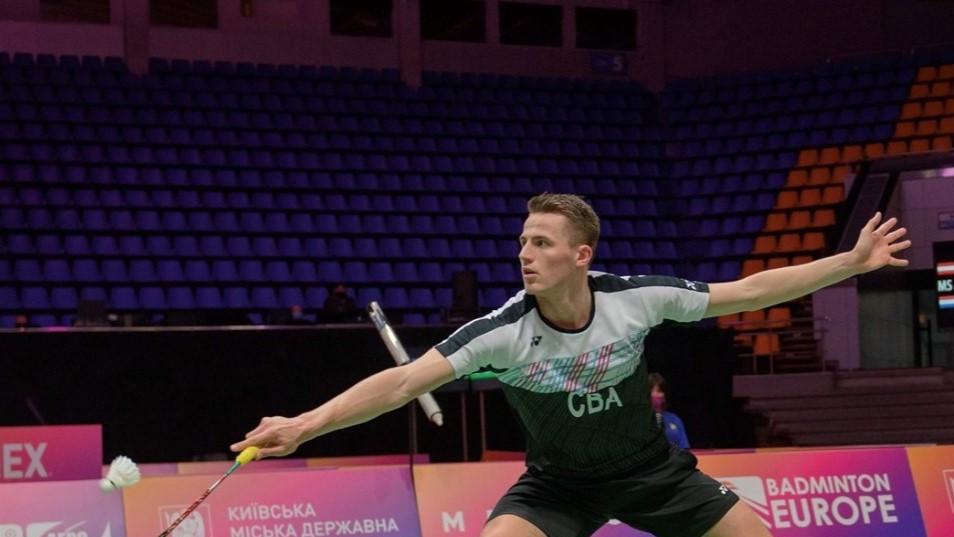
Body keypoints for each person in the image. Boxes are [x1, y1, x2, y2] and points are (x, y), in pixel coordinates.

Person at [232, 193, 910, 537]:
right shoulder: (502, 332)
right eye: (522, 241)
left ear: (581, 255)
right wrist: (306, 423)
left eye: (541, 242)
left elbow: (750, 291)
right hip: (557, 487)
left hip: (655, 475)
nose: (524, 253)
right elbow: (402, 381)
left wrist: (847, 263)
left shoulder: (635, 299)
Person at [648, 372, 691, 449]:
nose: (656, 395)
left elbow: (684, 449)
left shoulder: (674, 419)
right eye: (652, 391)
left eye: (659, 391)